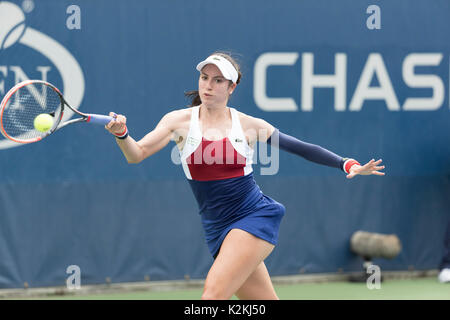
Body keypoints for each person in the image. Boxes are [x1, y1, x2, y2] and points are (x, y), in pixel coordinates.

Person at [105, 51, 385, 300]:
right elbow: (137, 153)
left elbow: (301, 148)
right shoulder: (177, 121)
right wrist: (122, 135)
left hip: (253, 217)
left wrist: (346, 164)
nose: (208, 86)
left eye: (217, 81)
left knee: (212, 297)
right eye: (204, 78)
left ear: (231, 87)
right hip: (216, 228)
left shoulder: (249, 125)